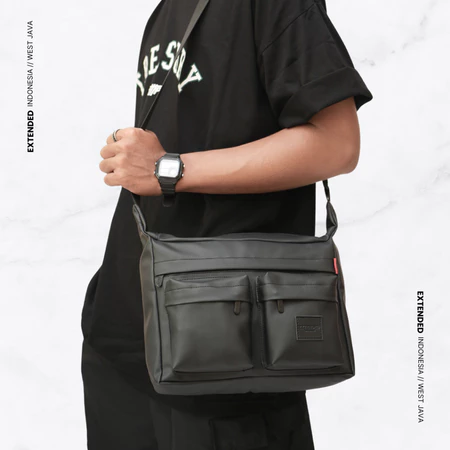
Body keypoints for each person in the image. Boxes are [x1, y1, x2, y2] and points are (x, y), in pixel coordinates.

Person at [80, 0, 373, 448]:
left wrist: (168, 169)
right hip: (120, 347)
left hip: (222, 364)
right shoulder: (164, 12)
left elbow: (338, 144)